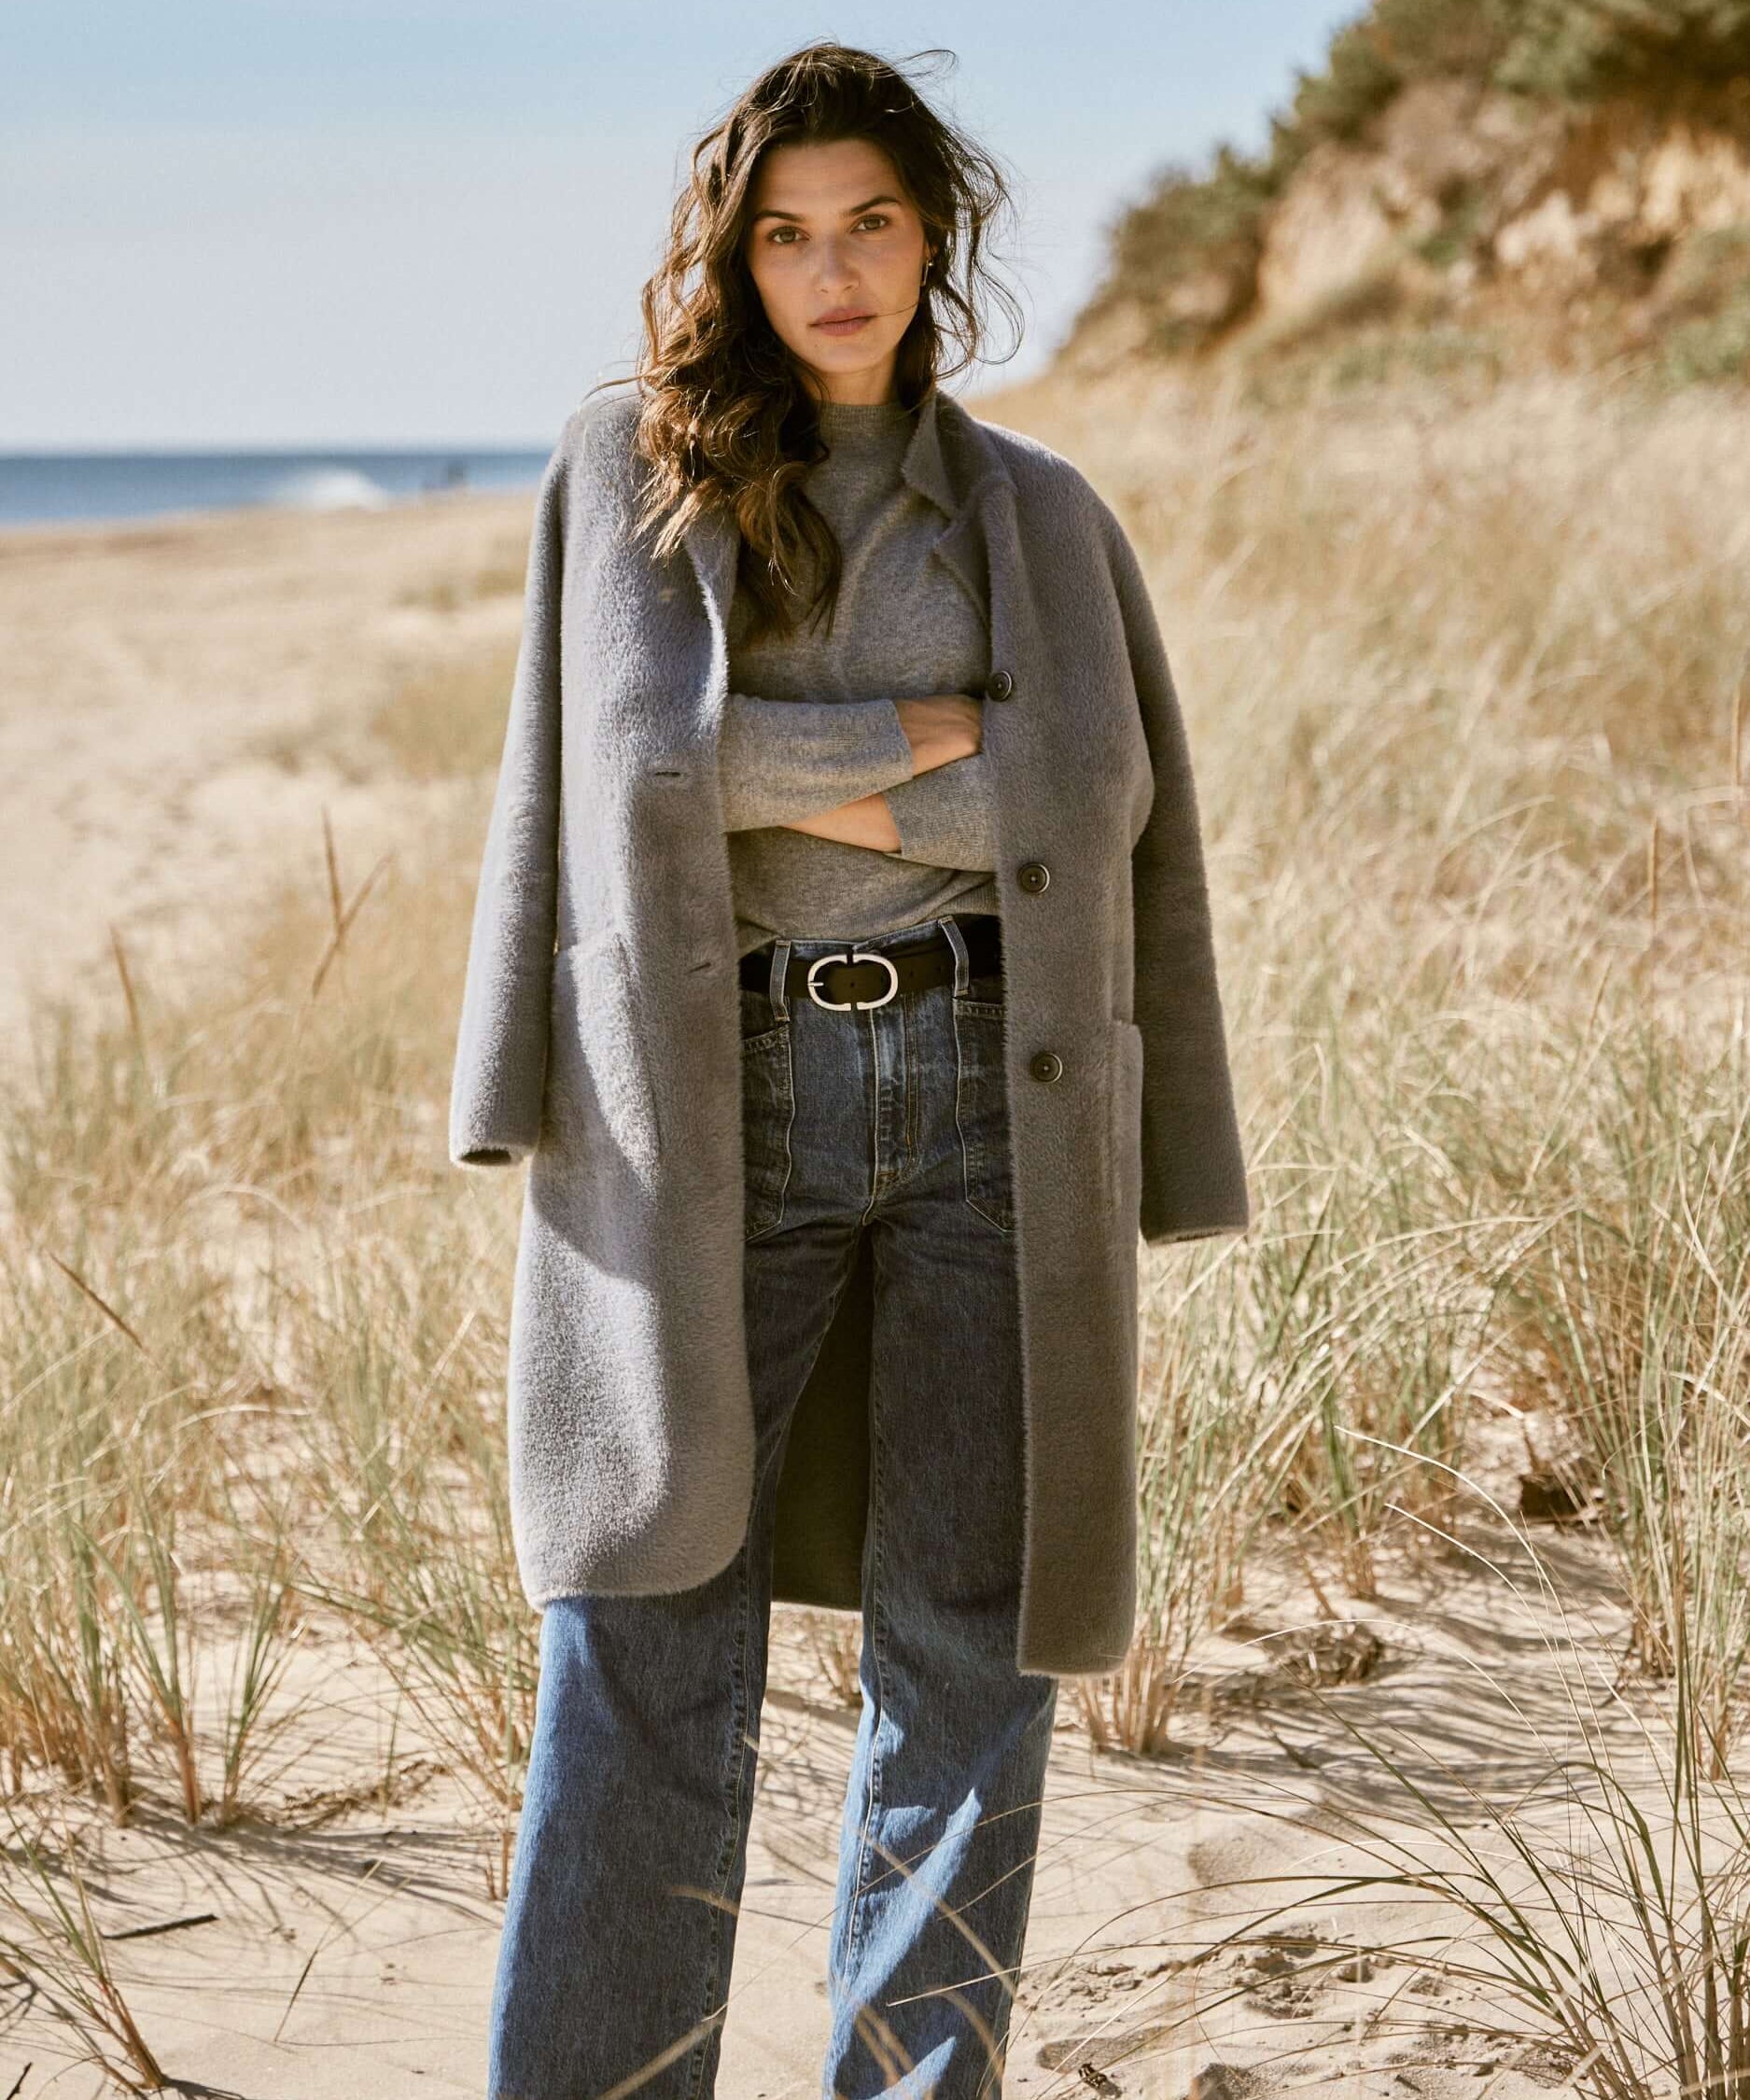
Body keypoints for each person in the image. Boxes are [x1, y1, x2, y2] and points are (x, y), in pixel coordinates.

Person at [458, 36, 1250, 2100]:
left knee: (970, 1648)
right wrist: (924, 750)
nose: (832, 272)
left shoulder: (1038, 513)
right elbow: (637, 772)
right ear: (733, 255)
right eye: (788, 234)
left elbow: (1094, 784)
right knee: (647, 1625)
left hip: (997, 1097)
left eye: (870, 227)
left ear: (931, 243)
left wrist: (805, 791)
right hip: (711, 1103)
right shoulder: (626, 471)